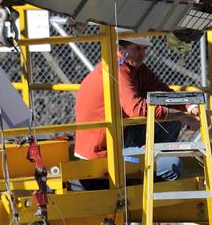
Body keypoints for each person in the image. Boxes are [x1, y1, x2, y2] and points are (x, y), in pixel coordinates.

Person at [73, 32, 197, 185]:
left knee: (171, 122)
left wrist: (190, 106)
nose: (142, 54)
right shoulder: (117, 69)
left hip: (118, 139)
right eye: (137, 48)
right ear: (120, 48)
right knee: (173, 166)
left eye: (144, 49)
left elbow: (162, 92)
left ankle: (147, 161)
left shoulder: (134, 68)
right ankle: (145, 184)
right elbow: (136, 109)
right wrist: (181, 115)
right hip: (102, 155)